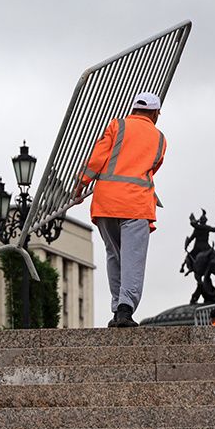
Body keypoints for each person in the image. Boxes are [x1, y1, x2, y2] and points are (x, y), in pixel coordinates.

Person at [75, 92, 166, 328]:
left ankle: (117, 308)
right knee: (132, 259)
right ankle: (125, 309)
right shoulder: (159, 138)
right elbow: (153, 167)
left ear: (134, 109)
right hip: (136, 205)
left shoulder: (117, 126)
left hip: (106, 203)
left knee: (114, 256)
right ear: (156, 113)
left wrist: (81, 182)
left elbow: (97, 158)